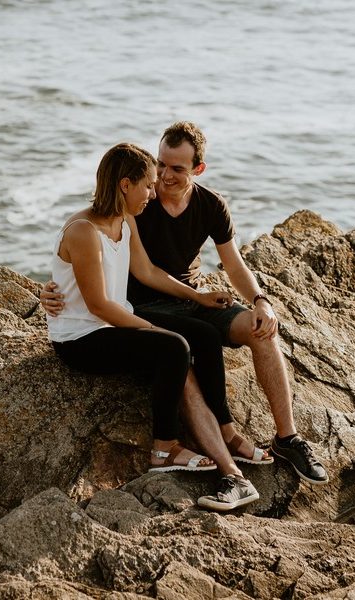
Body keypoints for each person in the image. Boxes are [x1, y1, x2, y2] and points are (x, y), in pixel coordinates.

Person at [44, 123, 328, 486]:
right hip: (137, 309)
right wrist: (50, 292)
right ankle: (217, 465)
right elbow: (83, 260)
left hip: (185, 299)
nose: (162, 178)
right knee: (179, 351)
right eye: (159, 167)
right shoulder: (132, 207)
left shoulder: (204, 205)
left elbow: (229, 263)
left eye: (175, 168)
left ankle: (286, 439)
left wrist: (259, 301)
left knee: (257, 332)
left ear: (197, 169)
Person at [47, 142, 261, 510]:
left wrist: (198, 298)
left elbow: (145, 271)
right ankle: (163, 448)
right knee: (174, 348)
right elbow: (98, 305)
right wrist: (149, 329)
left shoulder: (123, 221)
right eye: (146, 184)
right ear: (125, 185)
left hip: (114, 320)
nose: (154, 190)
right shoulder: (83, 230)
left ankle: (225, 429)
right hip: (82, 336)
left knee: (205, 335)